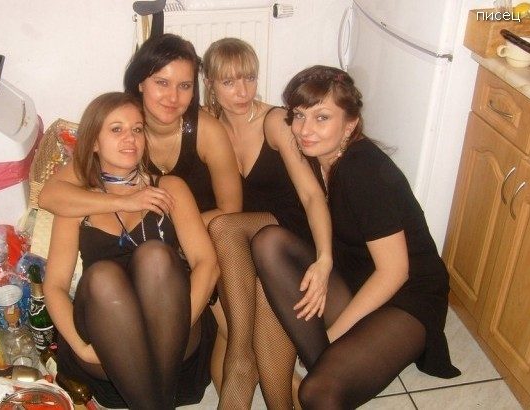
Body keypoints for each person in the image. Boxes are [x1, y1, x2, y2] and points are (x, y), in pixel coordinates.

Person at [38, 33, 242, 390]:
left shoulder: (184, 166)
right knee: (104, 277)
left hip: (174, 298)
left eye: (184, 86)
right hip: (109, 325)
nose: (173, 97)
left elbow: (218, 239)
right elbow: (50, 204)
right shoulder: (82, 194)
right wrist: (125, 202)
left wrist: (178, 228)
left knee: (157, 258)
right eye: (162, 82)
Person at [252, 65, 461, 409]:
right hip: (355, 275)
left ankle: (323, 361)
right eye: (299, 115)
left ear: (349, 124)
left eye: (322, 118)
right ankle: (322, 362)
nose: (304, 130)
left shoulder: (363, 170)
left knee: (318, 392)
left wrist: (333, 336)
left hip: (407, 294)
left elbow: (394, 272)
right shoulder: (316, 157)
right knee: (269, 241)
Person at [43, 92, 220, 409]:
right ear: (94, 143)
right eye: (116, 129)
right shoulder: (77, 203)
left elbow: (207, 264)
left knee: (156, 257)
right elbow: (54, 285)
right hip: (108, 340)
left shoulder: (169, 188)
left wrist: (178, 325)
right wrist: (81, 348)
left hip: (173, 334)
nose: (130, 138)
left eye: (137, 129)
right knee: (102, 277)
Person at [202, 38, 333, 409]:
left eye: (249, 78)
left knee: (223, 227)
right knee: (254, 295)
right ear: (210, 83)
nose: (243, 92)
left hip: (290, 234)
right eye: (229, 82)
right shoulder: (208, 125)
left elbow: (312, 195)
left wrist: (325, 258)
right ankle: (264, 385)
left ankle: (241, 355)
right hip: (249, 244)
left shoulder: (274, 121)